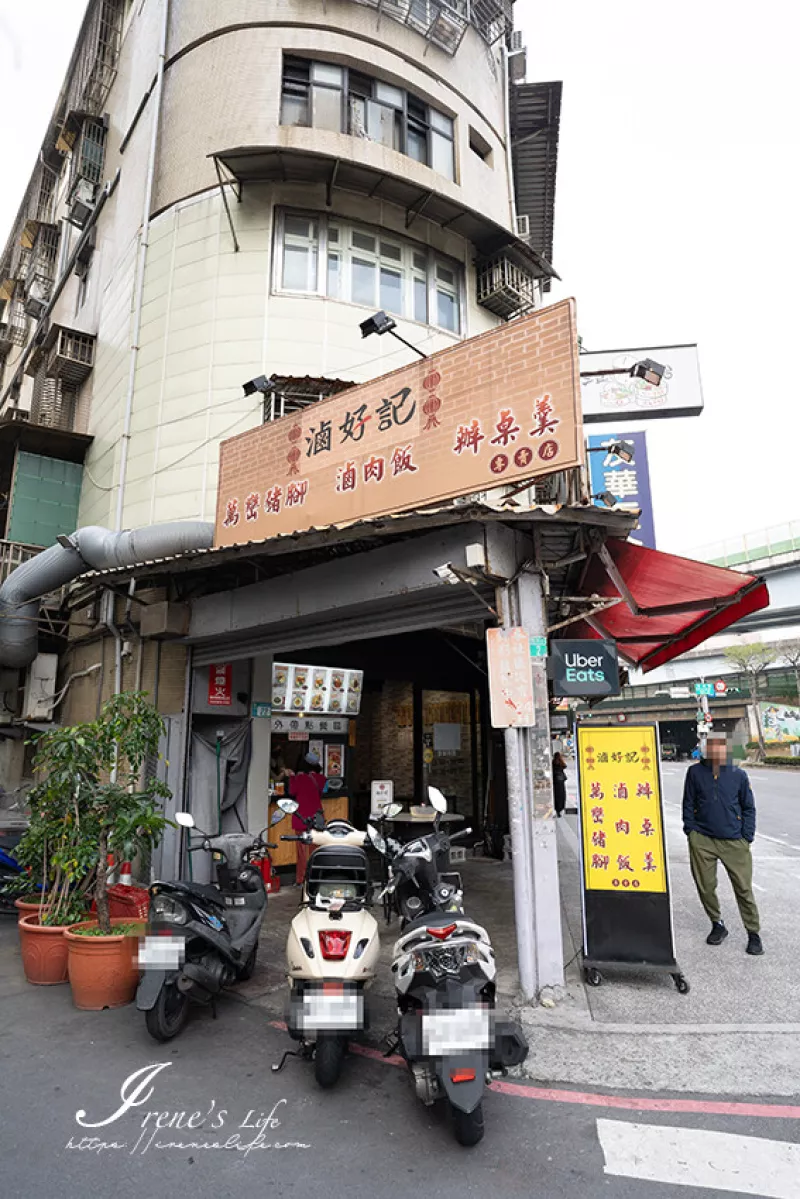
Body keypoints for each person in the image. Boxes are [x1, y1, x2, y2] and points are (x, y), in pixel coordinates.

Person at [682, 732, 763, 955]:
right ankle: (717, 924)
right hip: (703, 839)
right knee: (705, 886)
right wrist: (691, 830)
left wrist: (747, 836)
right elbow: (688, 802)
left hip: (734, 841)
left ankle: (753, 933)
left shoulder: (738, 774)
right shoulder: (695, 772)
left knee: (744, 888)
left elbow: (748, 807)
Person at [289, 751, 326, 886]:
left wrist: (292, 777)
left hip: (301, 818)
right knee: (315, 850)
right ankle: (315, 876)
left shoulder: (299, 778)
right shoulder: (322, 778)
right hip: (317, 818)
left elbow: (292, 791)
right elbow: (323, 791)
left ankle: (301, 879)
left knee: (302, 852)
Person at [552, 752, 567, 817]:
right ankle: (561, 809)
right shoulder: (561, 762)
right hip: (561, 781)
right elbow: (565, 766)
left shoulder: (553, 762)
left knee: (556, 796)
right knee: (562, 795)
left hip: (555, 781)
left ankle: (557, 809)